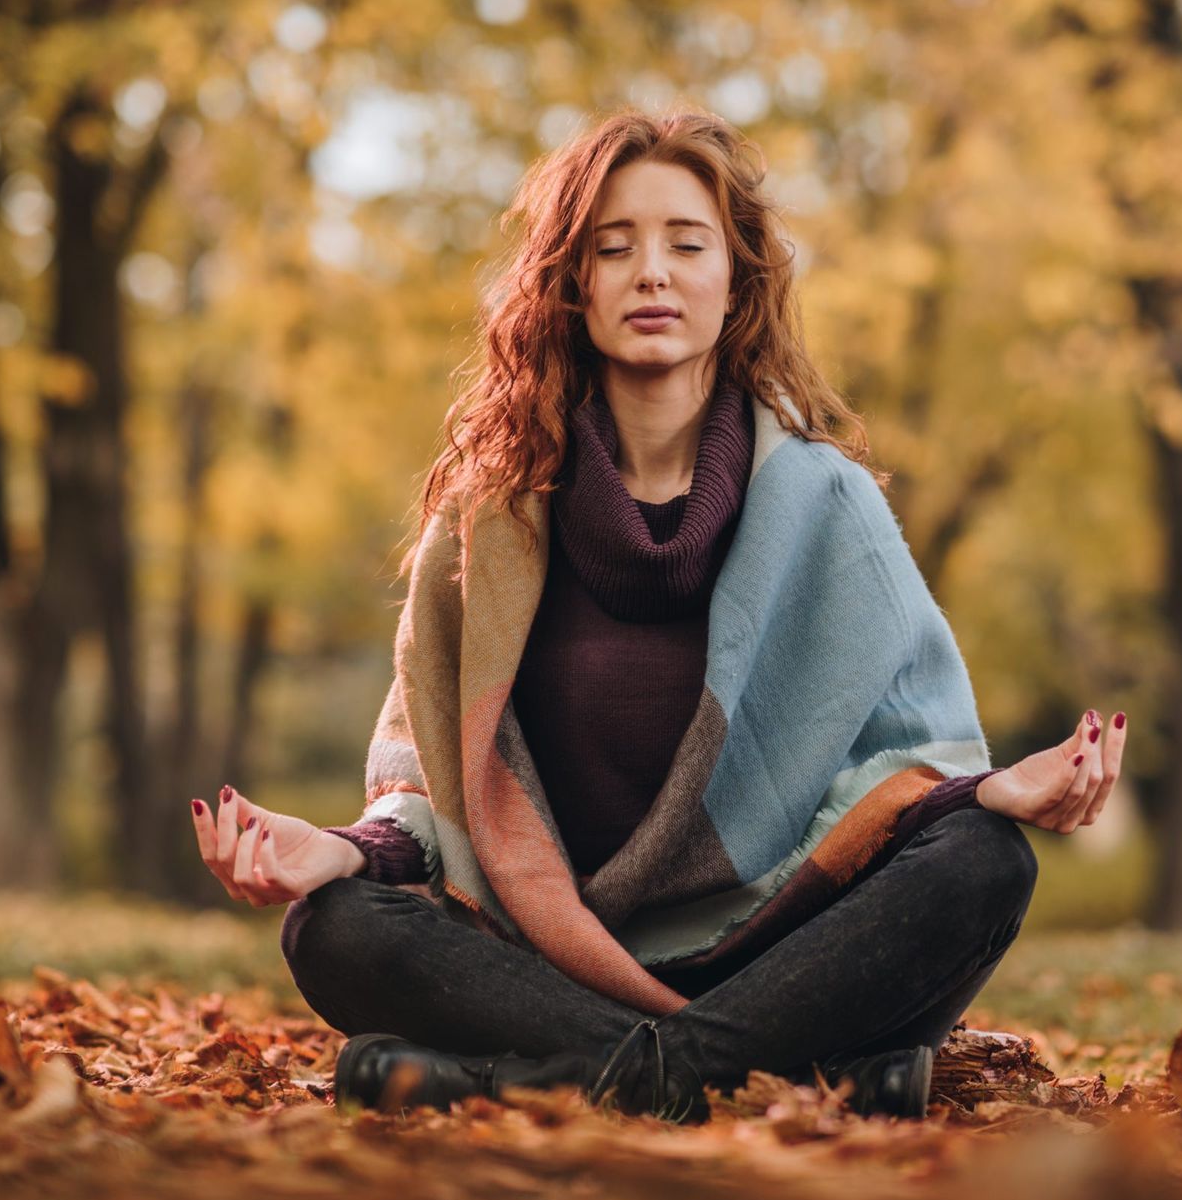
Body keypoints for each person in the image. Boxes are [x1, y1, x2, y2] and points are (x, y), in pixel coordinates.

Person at [188, 106, 1127, 1124]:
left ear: (737, 283)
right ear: (572, 283)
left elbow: (895, 780)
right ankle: (779, 1077)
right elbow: (432, 791)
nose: (653, 273)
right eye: (615, 246)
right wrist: (345, 850)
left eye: (688, 243)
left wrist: (994, 792)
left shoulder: (827, 505)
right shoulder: (489, 524)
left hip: (780, 948)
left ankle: (557, 1075)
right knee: (332, 925)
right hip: (548, 957)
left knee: (984, 863)